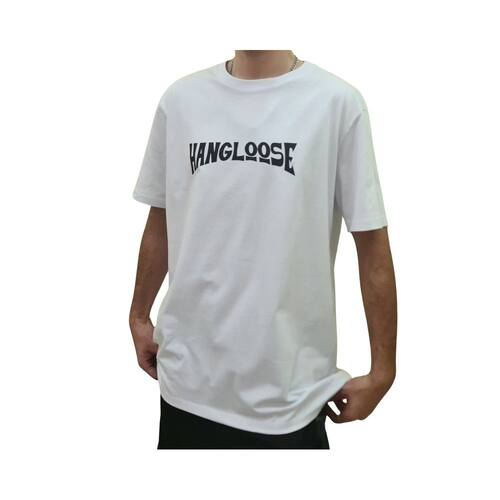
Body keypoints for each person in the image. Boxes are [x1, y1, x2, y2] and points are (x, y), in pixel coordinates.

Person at [129, 50, 397, 449]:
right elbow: (161, 217)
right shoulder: (181, 101)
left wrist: (383, 370)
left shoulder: (335, 103)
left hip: (290, 397)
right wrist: (138, 314)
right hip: (187, 385)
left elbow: (371, 242)